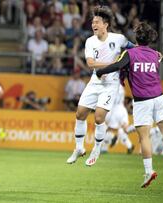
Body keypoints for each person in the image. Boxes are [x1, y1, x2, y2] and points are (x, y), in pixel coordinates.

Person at [96, 22, 163, 188]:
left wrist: (100, 71)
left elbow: (117, 65)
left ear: (136, 37)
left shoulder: (130, 53)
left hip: (143, 101)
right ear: (150, 39)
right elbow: (157, 59)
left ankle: (149, 171)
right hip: (159, 97)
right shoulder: (156, 55)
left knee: (144, 137)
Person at [66, 6, 134, 166]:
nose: (93, 25)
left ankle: (96, 149)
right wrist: (114, 64)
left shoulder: (119, 39)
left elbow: (135, 49)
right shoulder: (90, 41)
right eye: (92, 22)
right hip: (94, 82)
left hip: (110, 85)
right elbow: (90, 63)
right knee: (80, 114)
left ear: (106, 24)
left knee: (98, 117)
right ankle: (79, 148)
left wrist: (150, 53)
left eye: (97, 22)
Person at [101, 85, 134, 154]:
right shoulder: (121, 87)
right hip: (122, 109)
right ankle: (129, 145)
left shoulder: (111, 86)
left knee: (109, 129)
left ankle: (104, 148)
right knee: (123, 129)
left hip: (114, 109)